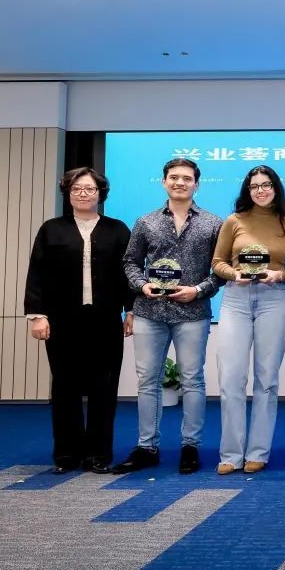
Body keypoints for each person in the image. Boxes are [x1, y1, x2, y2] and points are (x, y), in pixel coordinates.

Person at [114, 158, 223, 475]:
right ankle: (147, 447)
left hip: (193, 312)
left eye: (187, 178)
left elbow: (221, 269)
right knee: (148, 380)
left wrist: (198, 290)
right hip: (150, 312)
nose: (180, 182)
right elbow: (130, 262)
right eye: (174, 177)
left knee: (192, 380)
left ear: (196, 184)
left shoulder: (213, 223)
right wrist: (142, 285)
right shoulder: (145, 222)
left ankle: (191, 447)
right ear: (164, 182)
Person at [24, 167, 134, 474]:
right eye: (76, 189)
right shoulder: (51, 229)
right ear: (68, 193)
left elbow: (129, 274)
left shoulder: (117, 230)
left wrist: (132, 310)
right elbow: (37, 273)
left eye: (89, 189)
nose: (83, 194)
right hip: (62, 320)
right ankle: (66, 454)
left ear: (101, 193)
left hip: (105, 320)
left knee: (104, 388)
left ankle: (98, 454)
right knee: (65, 387)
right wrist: (37, 315)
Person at [211, 165, 285, 475]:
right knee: (231, 378)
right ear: (247, 191)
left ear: (276, 188)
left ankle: (258, 452)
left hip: (273, 300)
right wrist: (234, 273)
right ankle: (230, 454)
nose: (261, 191)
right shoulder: (234, 221)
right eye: (255, 186)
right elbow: (217, 262)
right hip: (236, 298)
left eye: (266, 185)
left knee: (266, 379)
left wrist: (279, 275)